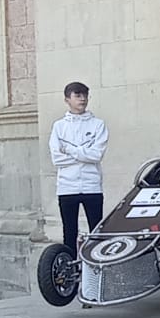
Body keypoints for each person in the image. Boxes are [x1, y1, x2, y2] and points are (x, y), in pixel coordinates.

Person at [50, 82, 109, 255]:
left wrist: (69, 149)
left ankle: (96, 270)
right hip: (67, 188)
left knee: (97, 232)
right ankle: (71, 274)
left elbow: (96, 155)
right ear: (67, 99)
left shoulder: (98, 124)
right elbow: (57, 158)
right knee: (69, 233)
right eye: (77, 95)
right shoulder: (59, 126)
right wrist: (84, 153)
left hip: (92, 186)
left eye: (85, 95)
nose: (82, 99)